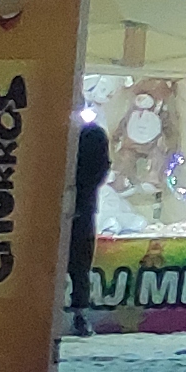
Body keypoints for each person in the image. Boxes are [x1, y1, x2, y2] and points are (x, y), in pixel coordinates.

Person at [64, 114, 111, 337]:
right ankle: (77, 314)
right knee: (79, 265)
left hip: (78, 209)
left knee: (78, 265)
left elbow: (99, 170)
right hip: (80, 208)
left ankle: (77, 314)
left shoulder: (90, 135)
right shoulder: (92, 135)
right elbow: (101, 170)